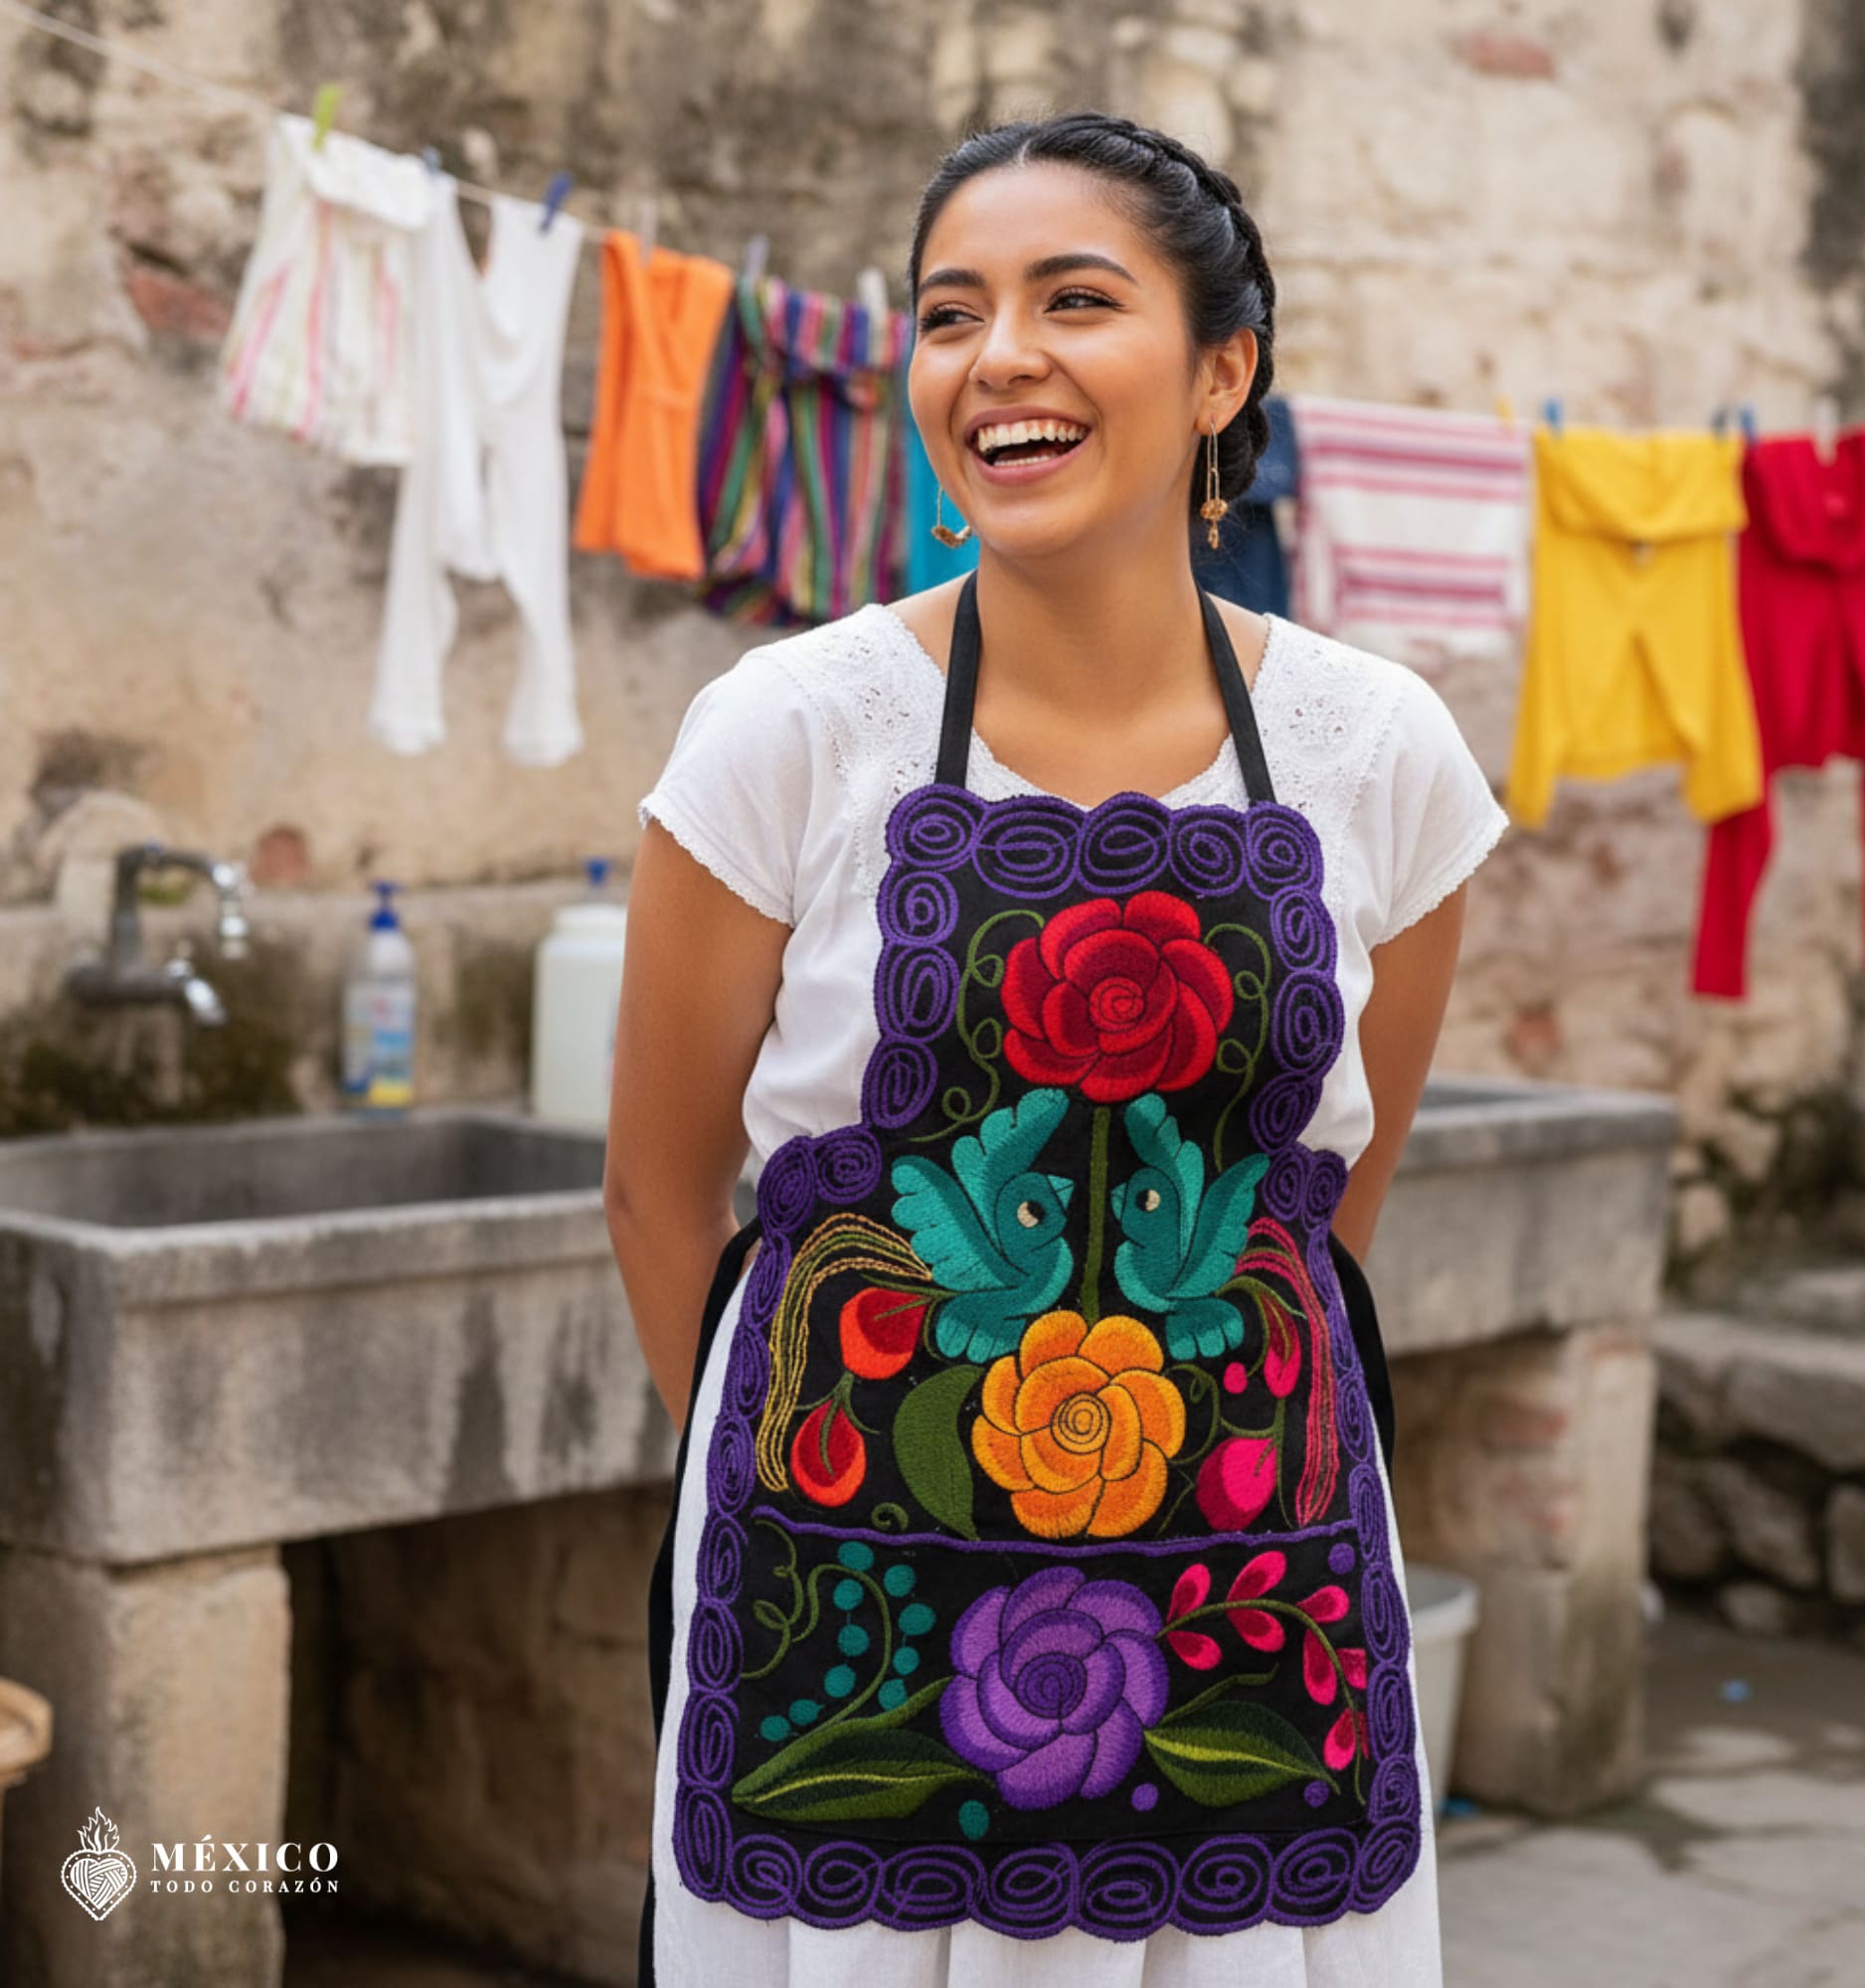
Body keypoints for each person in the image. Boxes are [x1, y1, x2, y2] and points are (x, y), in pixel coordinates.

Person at [607, 108, 1509, 1988]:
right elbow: (657, 1187)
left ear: (1222, 371)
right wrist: (795, 1501)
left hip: (1250, 1591)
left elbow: (1332, 1203)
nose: (995, 356)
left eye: (1072, 299)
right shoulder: (792, 729)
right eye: (950, 313)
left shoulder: (1380, 749)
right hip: (852, 1590)